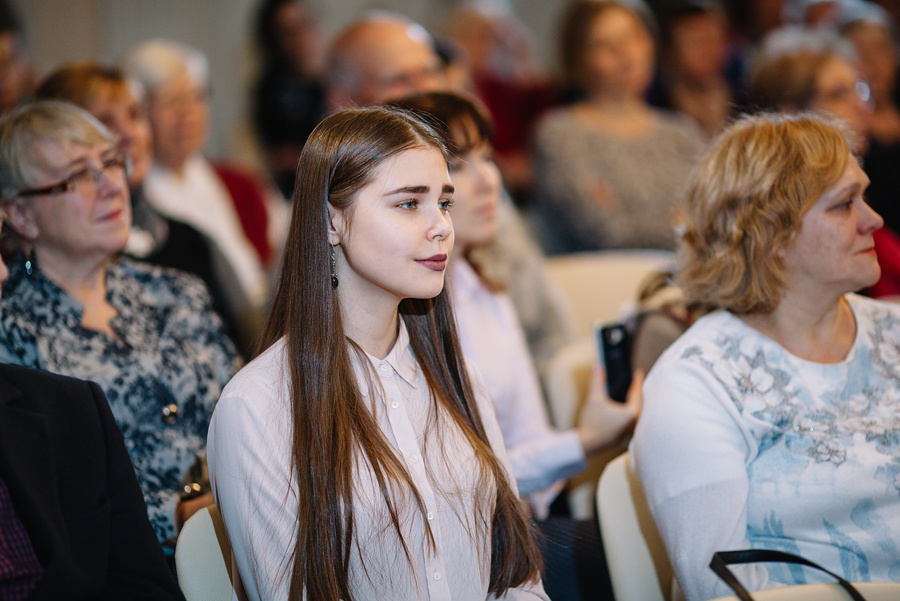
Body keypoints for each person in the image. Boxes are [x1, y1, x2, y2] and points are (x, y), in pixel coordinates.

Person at [208, 105, 547, 600]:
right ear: (332, 222)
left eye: (443, 203)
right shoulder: (258, 406)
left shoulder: (458, 378)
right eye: (409, 203)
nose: (441, 226)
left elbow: (516, 579)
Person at [630, 112, 900, 601]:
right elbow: (723, 591)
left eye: (863, 196)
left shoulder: (893, 329)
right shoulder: (697, 382)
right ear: (772, 234)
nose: (873, 220)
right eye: (844, 205)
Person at [391, 91, 641, 601]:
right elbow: (458, 482)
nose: (489, 180)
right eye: (460, 165)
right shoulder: (405, 313)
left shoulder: (490, 295)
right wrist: (582, 442)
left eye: (487, 158)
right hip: (447, 542)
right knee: (609, 554)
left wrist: (565, 452)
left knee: (626, 535)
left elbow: (526, 443)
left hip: (514, 519)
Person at [0, 100, 241, 543]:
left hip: (245, 533)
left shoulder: (177, 291)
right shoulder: (12, 331)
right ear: (20, 215)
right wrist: (183, 514)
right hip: (125, 564)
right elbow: (51, 498)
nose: (112, 186)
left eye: (111, 163)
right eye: (78, 176)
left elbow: (248, 415)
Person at [325, 12, 574, 370]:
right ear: (343, 101)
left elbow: (542, 318)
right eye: (399, 79)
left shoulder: (483, 280)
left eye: (431, 71)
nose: (425, 89)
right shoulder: (331, 203)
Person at [0, 213, 185, 600]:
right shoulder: (25, 336)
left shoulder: (73, 409)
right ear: (24, 216)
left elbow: (144, 587)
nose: (2, 273)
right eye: (77, 181)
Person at [32, 62, 254, 353]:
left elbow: (253, 339)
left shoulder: (190, 238)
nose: (129, 133)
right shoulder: (63, 262)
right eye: (104, 122)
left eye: (135, 115)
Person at [122, 39, 285, 327]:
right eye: (170, 102)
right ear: (139, 114)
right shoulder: (130, 203)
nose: (187, 113)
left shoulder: (240, 184)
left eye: (196, 97)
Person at [532, 0, 705, 253]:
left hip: (687, 271)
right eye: (604, 44)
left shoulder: (681, 132)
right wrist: (683, 221)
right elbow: (609, 232)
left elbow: (715, 216)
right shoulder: (560, 134)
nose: (625, 52)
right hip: (601, 274)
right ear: (578, 58)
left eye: (632, 36)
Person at [745, 26, 900, 298]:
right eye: (839, 94)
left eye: (859, 89)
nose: (862, 107)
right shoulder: (774, 199)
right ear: (789, 115)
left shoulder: (879, 165)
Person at [252, 0, 328, 198]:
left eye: (306, 23)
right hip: (296, 193)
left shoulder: (337, 77)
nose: (301, 36)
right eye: (289, 31)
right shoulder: (271, 91)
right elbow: (279, 158)